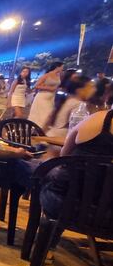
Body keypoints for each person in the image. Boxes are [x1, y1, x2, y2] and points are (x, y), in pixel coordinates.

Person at [40, 109, 113, 255]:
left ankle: (47, 248)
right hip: (109, 218)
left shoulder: (98, 118)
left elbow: (64, 154)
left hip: (64, 206)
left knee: (62, 183)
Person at [28, 62, 64, 130]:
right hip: (42, 97)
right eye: (62, 67)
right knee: (43, 115)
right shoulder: (47, 75)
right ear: (57, 67)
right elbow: (36, 86)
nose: (62, 68)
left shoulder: (59, 76)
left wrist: (58, 89)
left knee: (49, 114)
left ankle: (43, 131)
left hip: (51, 98)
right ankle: (38, 130)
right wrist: (51, 88)